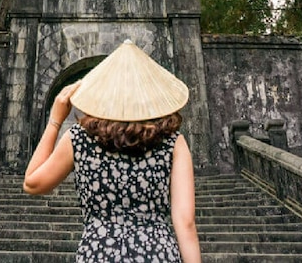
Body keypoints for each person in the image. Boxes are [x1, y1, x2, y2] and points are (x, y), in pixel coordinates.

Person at [24, 40, 202, 263]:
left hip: (98, 252)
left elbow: (32, 183)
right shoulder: (173, 142)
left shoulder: (79, 137)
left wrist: (55, 120)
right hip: (158, 253)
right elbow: (185, 223)